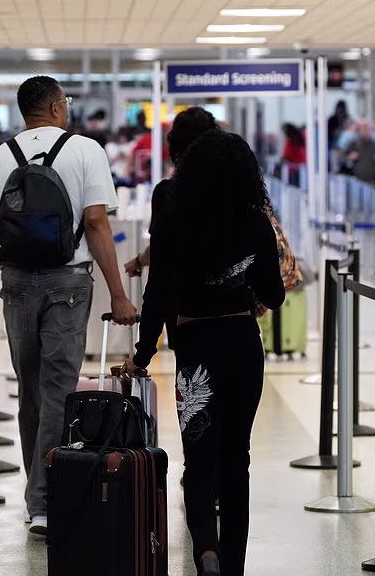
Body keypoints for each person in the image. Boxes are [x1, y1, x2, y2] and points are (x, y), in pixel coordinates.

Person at [0, 76, 137, 536]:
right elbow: (97, 223)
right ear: (58, 107)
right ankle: (44, 500)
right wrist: (118, 293)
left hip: (15, 283)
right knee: (60, 389)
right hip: (68, 282)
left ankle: (37, 494)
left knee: (33, 390)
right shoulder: (86, 151)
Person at [121, 129, 285, 576]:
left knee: (199, 459)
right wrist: (244, 283)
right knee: (237, 458)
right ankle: (233, 565)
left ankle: (205, 552)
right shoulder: (255, 223)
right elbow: (275, 294)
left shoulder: (174, 223)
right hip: (242, 346)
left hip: (194, 350)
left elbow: (157, 296)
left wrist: (142, 353)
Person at [124, 107, 220, 278]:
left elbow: (159, 248)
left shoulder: (167, 192)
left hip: (179, 293)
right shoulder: (233, 189)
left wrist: (139, 261)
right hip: (225, 294)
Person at [342, 118, 375, 185]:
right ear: (359, 130)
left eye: (366, 127)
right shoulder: (353, 143)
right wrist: (349, 157)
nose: (365, 130)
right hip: (357, 179)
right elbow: (342, 156)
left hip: (373, 180)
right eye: (362, 128)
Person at [280, 123, 307, 187]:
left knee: (293, 191)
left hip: (293, 171)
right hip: (301, 170)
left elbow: (286, 155)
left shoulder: (290, 141)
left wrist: (283, 159)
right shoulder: (301, 139)